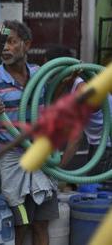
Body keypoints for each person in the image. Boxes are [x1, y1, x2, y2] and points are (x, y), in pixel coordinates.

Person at [0, 21, 58, 245]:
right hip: (13, 160)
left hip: (41, 156)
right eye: (3, 43)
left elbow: (56, 102)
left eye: (12, 42)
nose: (6, 48)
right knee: (20, 224)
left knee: (42, 223)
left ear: (27, 44)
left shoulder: (40, 75)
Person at [44, 45, 112, 180]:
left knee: (99, 190)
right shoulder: (70, 87)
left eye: (48, 67)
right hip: (99, 145)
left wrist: (58, 171)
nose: (45, 72)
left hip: (106, 147)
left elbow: (75, 139)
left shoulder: (82, 91)